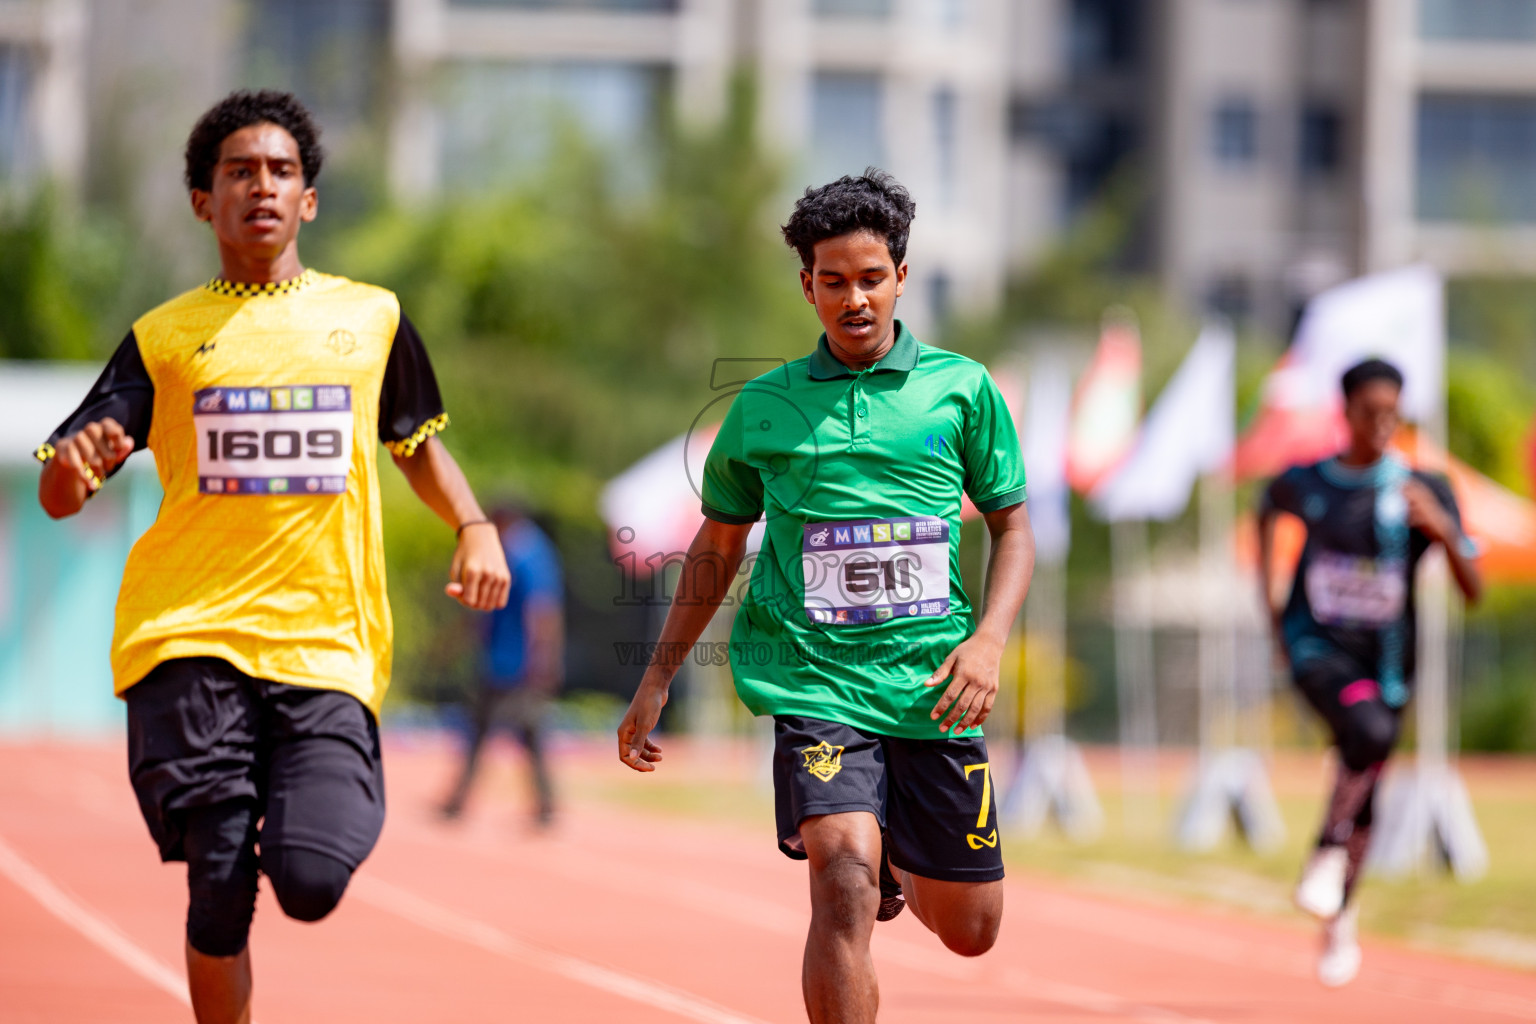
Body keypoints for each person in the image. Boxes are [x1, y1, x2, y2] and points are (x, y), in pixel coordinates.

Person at [34, 90, 510, 1024]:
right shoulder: (163, 339)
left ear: (310, 200)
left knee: (308, 879)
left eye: (281, 171)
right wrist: (74, 472)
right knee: (218, 879)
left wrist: (474, 523)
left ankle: (282, 815)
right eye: (238, 172)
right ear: (202, 201)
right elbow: (64, 479)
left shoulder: (370, 319)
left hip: (327, 643)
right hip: (188, 635)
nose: (261, 187)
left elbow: (411, 440)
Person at [616, 169, 1035, 1024]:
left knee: (972, 930)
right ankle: (867, 856)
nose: (854, 299)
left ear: (902, 278)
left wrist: (988, 640)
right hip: (815, 681)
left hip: (934, 686)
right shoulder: (764, 407)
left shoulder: (961, 389)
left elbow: (1014, 528)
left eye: (871, 278)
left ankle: (899, 857)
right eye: (833, 281)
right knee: (840, 880)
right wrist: (658, 675)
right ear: (806, 285)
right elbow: (718, 544)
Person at [1258, 358, 1481, 988]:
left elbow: (1474, 588)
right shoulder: (1308, 483)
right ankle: (1327, 850)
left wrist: (1441, 531)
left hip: (1388, 663)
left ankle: (1342, 911)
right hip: (1315, 648)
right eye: (1370, 412)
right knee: (1371, 735)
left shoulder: (1424, 488)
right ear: (1346, 411)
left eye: (1394, 413)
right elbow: (1264, 510)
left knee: (1370, 769)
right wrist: (1273, 616)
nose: (1384, 424)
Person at [441, 504, 565, 827]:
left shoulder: (528, 553)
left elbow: (542, 611)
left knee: (521, 732)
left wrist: (542, 659)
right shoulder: (518, 551)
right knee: (493, 730)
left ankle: (544, 805)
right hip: (500, 658)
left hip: (518, 661)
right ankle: (542, 805)